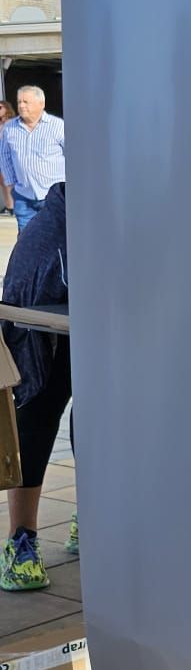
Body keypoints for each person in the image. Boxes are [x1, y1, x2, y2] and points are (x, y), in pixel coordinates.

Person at [0, 182, 72, 590]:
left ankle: (91, 517)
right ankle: (20, 540)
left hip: (107, 304)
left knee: (100, 415)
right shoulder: (55, 226)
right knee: (39, 409)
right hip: (44, 312)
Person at [0, 85, 64, 231]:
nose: (21, 106)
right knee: (26, 238)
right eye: (19, 102)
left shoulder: (57, 126)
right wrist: (11, 183)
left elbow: (72, 155)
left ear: (41, 104)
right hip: (23, 196)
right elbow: (4, 155)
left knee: (54, 236)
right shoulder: (10, 128)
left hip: (53, 196)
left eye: (26, 102)